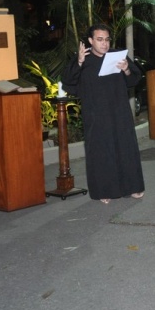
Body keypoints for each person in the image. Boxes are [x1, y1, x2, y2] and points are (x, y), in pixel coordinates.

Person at [61, 24, 145, 204]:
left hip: (119, 111)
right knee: (101, 152)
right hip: (96, 114)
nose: (104, 44)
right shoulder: (84, 59)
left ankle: (133, 187)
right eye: (99, 40)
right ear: (90, 41)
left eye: (107, 39)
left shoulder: (117, 56)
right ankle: (104, 190)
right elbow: (67, 81)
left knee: (126, 148)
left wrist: (126, 69)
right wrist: (79, 62)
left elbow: (134, 79)